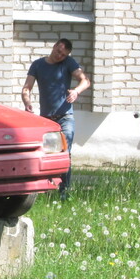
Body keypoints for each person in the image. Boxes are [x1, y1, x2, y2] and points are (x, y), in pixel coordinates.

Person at [21, 38, 91, 199]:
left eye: (64, 54)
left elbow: (85, 81)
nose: (60, 56)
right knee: (47, 154)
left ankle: (64, 192)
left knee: (64, 152)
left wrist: (76, 91)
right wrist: (27, 103)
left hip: (65, 117)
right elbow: (27, 87)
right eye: (59, 52)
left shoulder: (68, 63)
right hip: (46, 119)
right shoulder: (38, 65)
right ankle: (46, 188)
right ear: (54, 47)